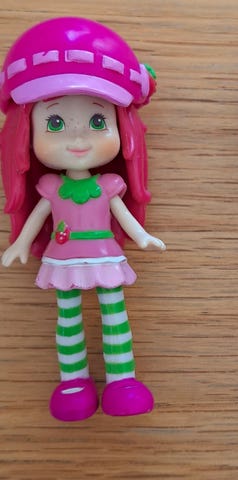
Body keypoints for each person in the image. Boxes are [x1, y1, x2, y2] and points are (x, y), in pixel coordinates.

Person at [0, 17, 165, 421]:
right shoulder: (51, 188)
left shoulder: (108, 185)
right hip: (63, 258)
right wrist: (20, 243)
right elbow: (37, 217)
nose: (77, 140)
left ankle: (122, 379)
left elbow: (123, 216)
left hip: (104, 254)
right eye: (55, 123)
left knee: (115, 314)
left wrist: (142, 237)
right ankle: (73, 380)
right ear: (27, 131)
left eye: (97, 122)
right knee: (68, 318)